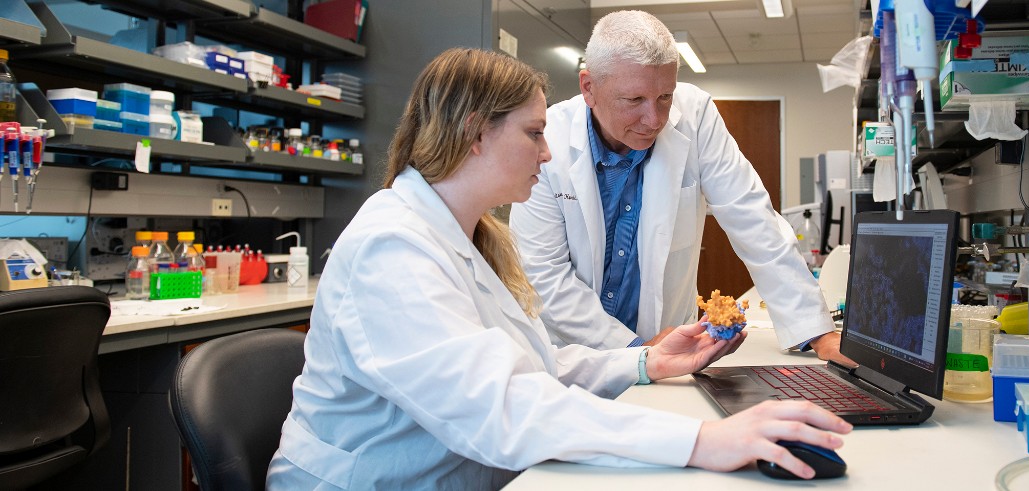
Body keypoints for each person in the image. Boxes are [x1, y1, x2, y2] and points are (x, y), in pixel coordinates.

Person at [266, 48, 851, 489]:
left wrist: (647, 361)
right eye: (534, 134)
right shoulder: (391, 248)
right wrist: (704, 440)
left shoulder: (463, 234)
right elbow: (503, 406)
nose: (547, 154)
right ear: (474, 133)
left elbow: (532, 366)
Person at [510, 10, 855, 367]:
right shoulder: (548, 141)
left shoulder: (695, 116)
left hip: (670, 347)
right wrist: (635, 349)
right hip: (574, 357)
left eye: (665, 97)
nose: (655, 120)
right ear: (589, 88)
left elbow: (752, 217)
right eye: (634, 101)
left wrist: (816, 330)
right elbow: (544, 274)